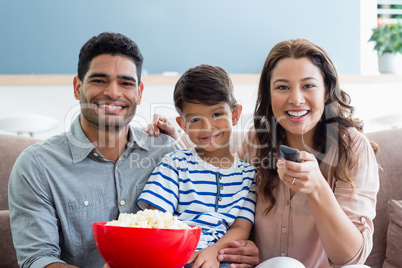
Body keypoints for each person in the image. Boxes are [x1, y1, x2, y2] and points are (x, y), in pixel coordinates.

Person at [147, 39, 380, 268]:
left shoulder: (352, 148)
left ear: (327, 90)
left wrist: (317, 188)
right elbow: (216, 174)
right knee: (284, 265)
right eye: (282, 87)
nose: (296, 99)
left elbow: (350, 258)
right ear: (269, 94)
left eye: (308, 85)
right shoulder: (257, 141)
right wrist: (175, 141)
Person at [8, 32, 180, 268]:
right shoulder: (37, 166)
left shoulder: (165, 151)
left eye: (126, 83)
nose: (113, 92)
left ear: (139, 93)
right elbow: (37, 259)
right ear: (78, 87)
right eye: (99, 80)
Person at [138, 64, 257, 268]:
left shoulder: (249, 175)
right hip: (178, 256)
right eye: (195, 119)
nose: (207, 127)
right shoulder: (174, 164)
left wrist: (213, 252)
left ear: (235, 114)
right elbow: (156, 220)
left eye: (217, 114)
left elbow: (240, 227)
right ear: (182, 124)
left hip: (222, 257)